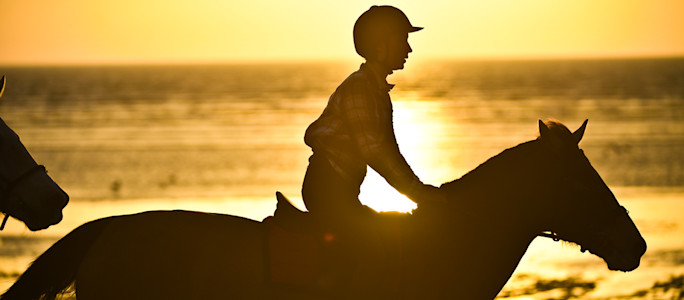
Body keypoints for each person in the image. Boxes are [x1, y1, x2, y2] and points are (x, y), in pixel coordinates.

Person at [302, 6, 445, 235]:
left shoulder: (376, 91)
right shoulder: (360, 88)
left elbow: (390, 152)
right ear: (380, 46)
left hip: (341, 190)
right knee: (374, 242)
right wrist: (419, 193)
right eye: (402, 40)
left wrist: (420, 191)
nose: (408, 48)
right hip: (327, 190)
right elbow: (374, 151)